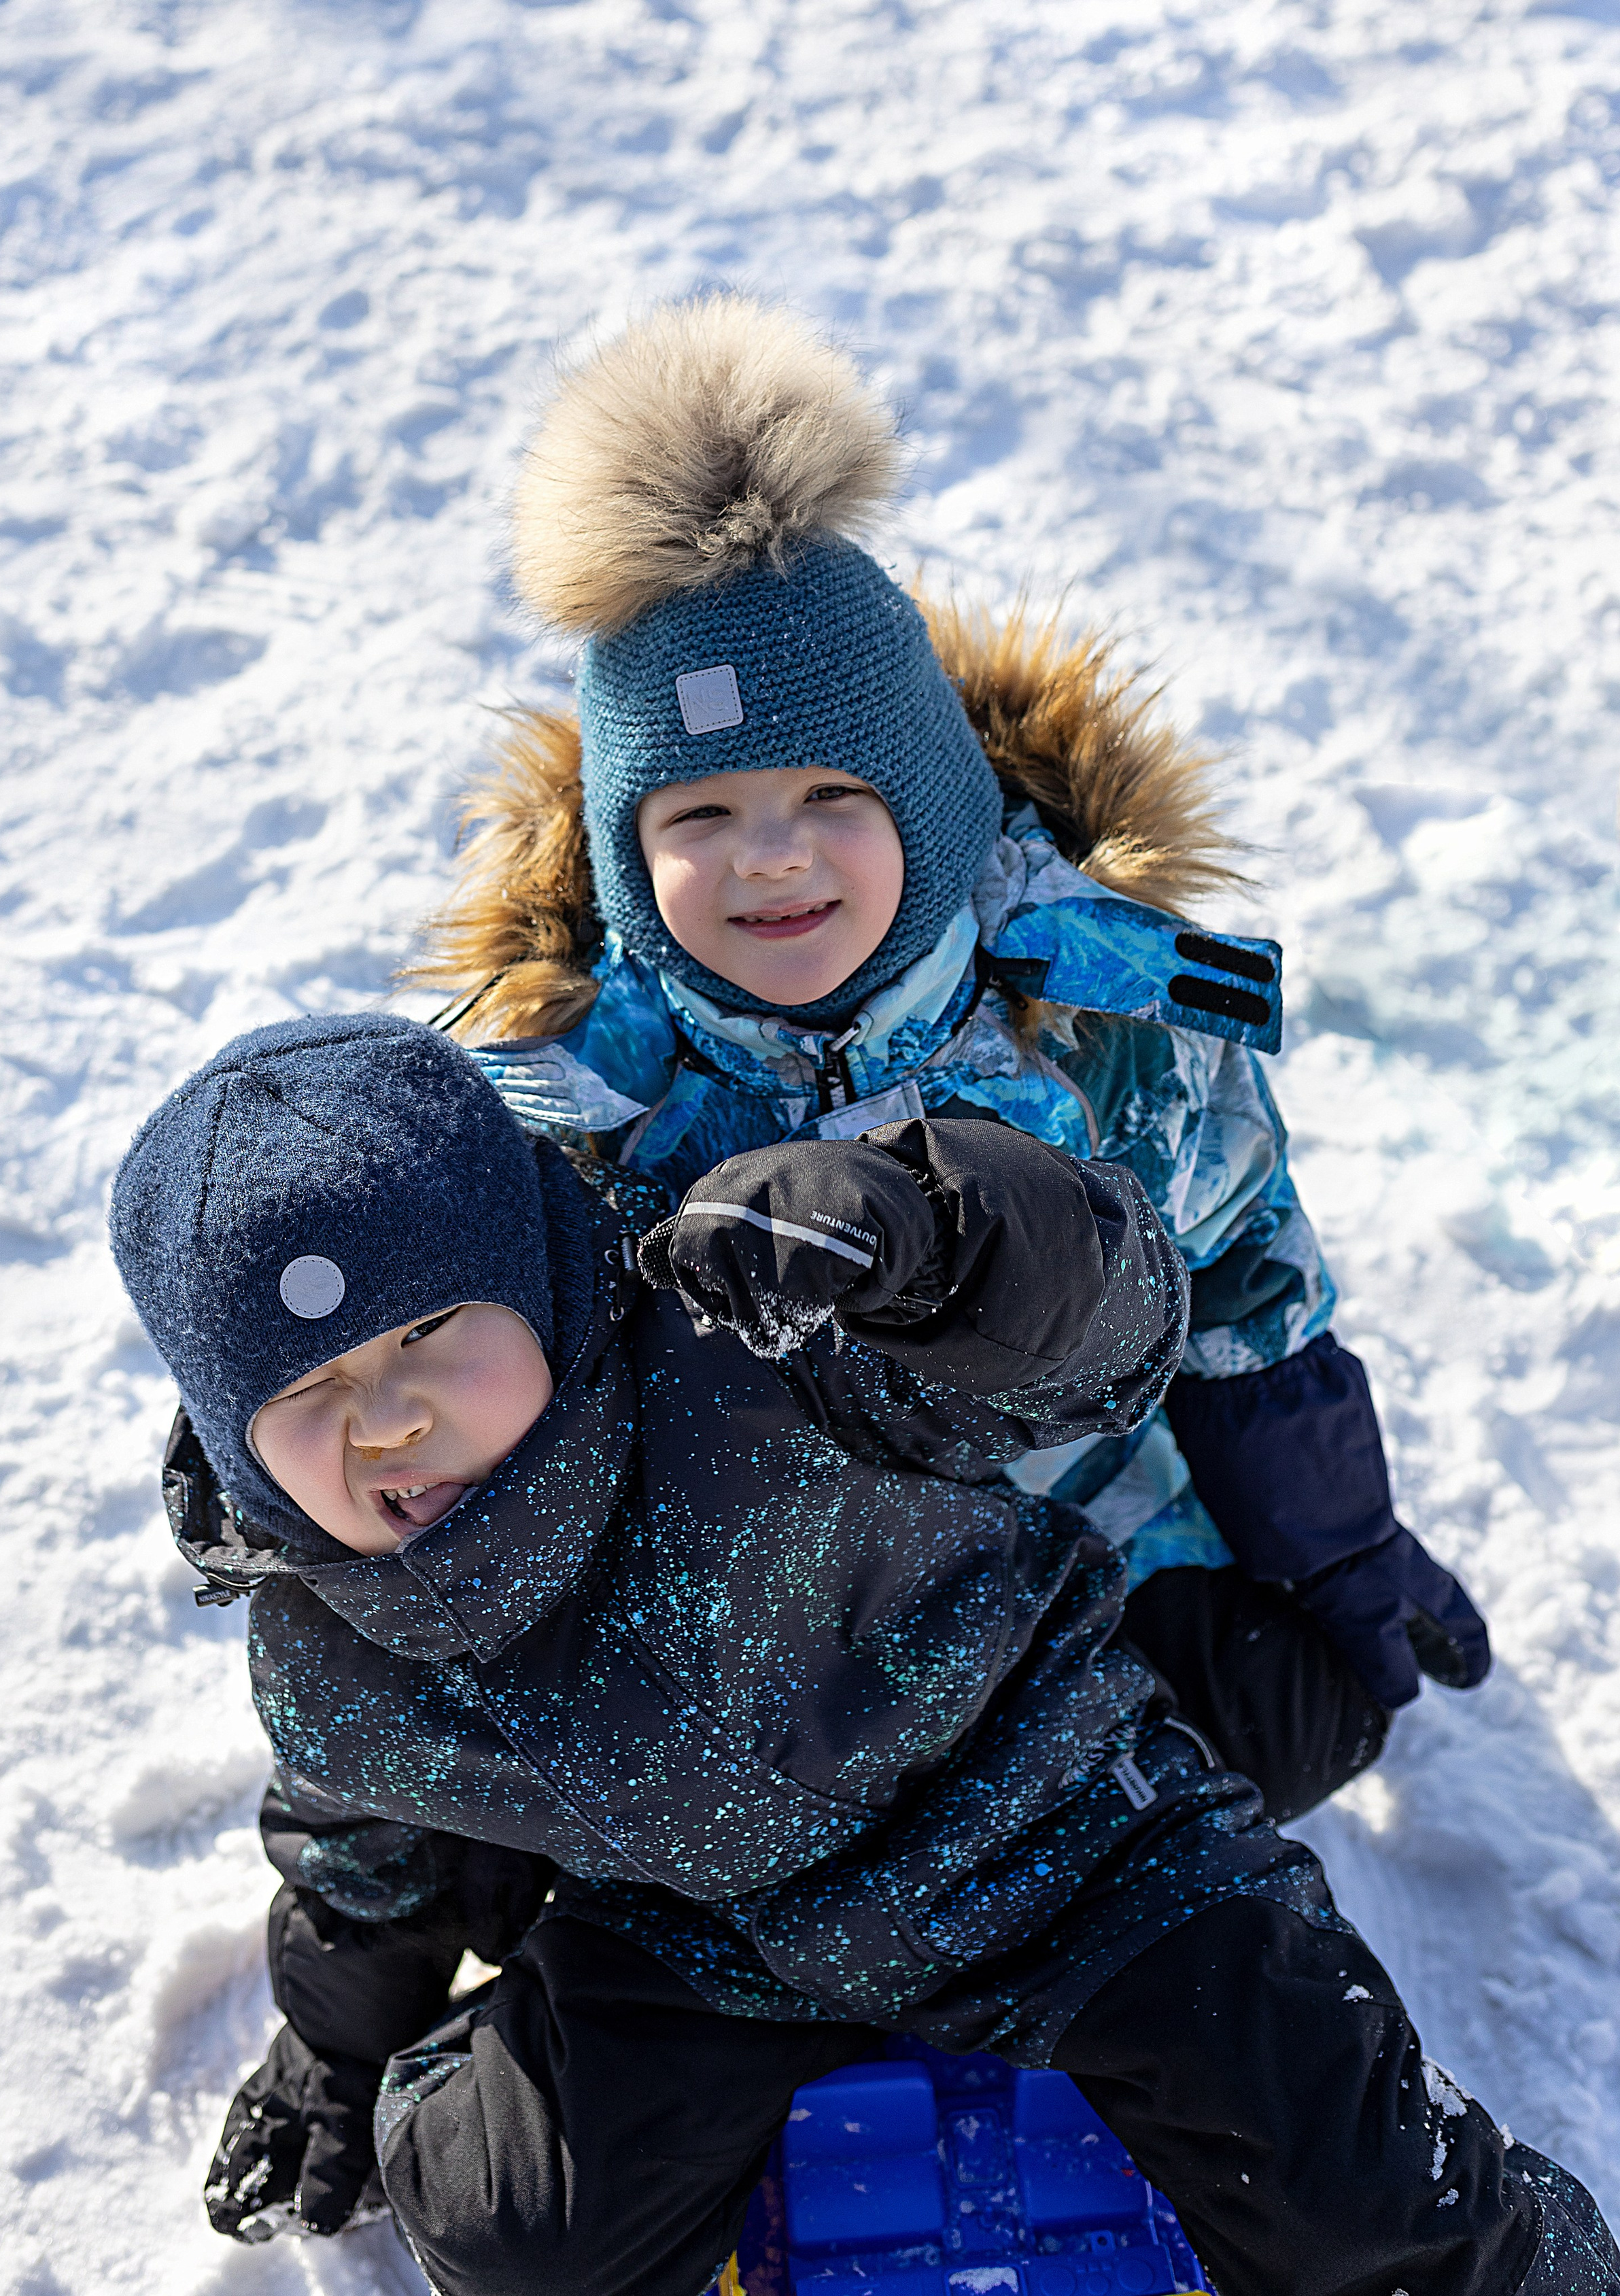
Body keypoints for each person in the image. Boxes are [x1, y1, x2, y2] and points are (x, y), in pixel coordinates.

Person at [109, 1010, 1616, 2296]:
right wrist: (332, 2054)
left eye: (433, 1326)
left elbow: (1101, 1342)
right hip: (714, 1936)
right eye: (307, 1389)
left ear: (541, 1275)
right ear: (234, 1445)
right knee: (512, 2231)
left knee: (1354, 2178)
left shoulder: (737, 1342)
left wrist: (929, 1238)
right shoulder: (328, 1647)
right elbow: (358, 1854)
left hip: (1054, 1827)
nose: (387, 1417)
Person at [414, 294, 1489, 1825]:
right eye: (696, 818)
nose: (769, 861)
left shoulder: (1103, 1015)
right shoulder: (573, 1081)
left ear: (934, 801)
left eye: (827, 796)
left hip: (1073, 1508)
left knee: (1283, 1714)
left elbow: (1242, 1270)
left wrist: (1330, 1544)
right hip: (763, 1576)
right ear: (620, 846)